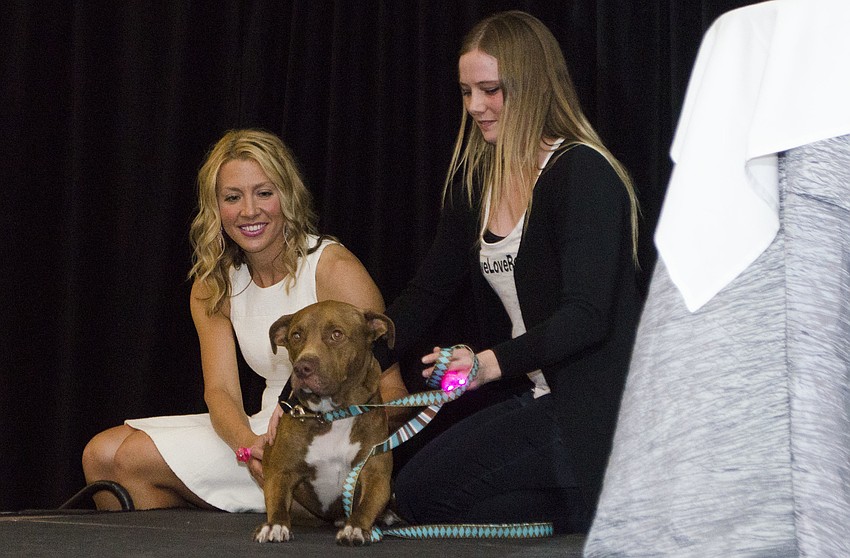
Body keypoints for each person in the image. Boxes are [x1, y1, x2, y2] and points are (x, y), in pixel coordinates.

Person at [381, 11, 642, 533]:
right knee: (419, 496)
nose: (475, 107)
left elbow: (586, 316)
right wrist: (342, 364)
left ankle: (612, 493)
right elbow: (427, 292)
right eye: (466, 92)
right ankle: (596, 506)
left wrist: (486, 365)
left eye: (490, 90)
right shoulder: (478, 180)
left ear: (531, 87)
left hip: (595, 410)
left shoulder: (583, 172)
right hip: (542, 396)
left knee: (424, 498)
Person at [81, 128, 408, 511]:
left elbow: (394, 394)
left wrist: (324, 442)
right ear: (215, 207)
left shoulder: (333, 269)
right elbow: (221, 391)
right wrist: (247, 446)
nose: (249, 211)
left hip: (330, 442)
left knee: (131, 457)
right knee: (100, 453)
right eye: (233, 197)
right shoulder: (213, 283)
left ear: (288, 195)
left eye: (264, 193)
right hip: (263, 428)